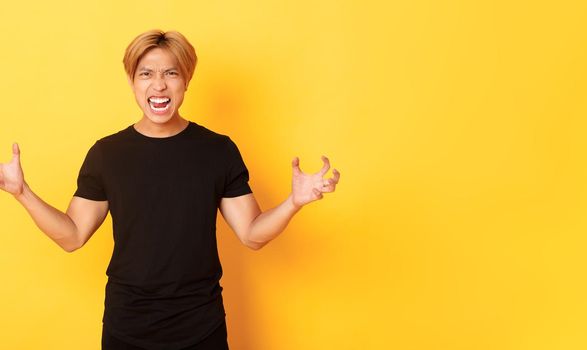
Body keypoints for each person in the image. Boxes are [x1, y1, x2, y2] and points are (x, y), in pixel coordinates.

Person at [0, 29, 340, 349]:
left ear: (187, 80)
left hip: (201, 325)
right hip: (127, 325)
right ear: (132, 81)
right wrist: (22, 192)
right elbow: (72, 236)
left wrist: (294, 202)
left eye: (171, 73)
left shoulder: (217, 150)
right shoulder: (107, 154)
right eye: (146, 74)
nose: (159, 85)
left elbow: (252, 234)